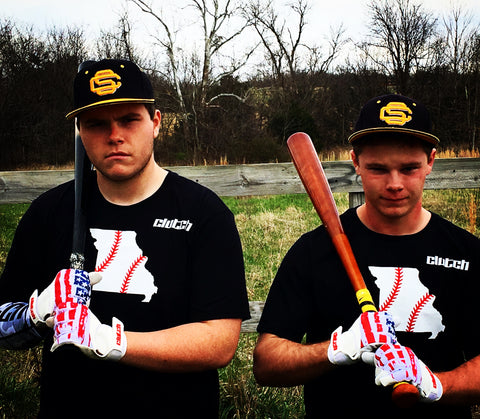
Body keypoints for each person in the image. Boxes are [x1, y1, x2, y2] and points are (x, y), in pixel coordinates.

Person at [0, 59, 250, 418]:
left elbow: (219, 342)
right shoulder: (48, 213)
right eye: (96, 124)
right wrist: (36, 316)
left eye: (129, 119)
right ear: (79, 131)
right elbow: (2, 323)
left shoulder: (204, 214)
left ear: (156, 123)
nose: (114, 135)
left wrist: (113, 342)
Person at [253, 94, 480, 418]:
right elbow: (266, 363)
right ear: (355, 162)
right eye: (377, 168)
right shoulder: (314, 250)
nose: (394, 184)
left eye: (409, 168)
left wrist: (436, 384)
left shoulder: (467, 253)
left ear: (431, 160)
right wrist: (336, 350)